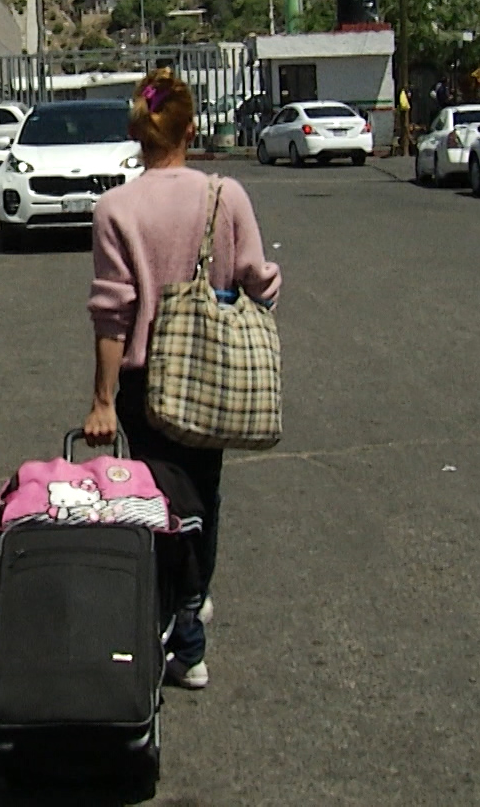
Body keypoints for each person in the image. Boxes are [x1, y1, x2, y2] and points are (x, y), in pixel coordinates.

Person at [83, 66, 282, 691]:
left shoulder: (115, 209)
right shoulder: (227, 196)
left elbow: (112, 313)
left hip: (148, 385)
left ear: (138, 132)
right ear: (190, 128)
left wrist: (102, 401)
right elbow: (256, 278)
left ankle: (182, 624)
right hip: (212, 373)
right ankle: (192, 614)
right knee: (203, 493)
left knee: (158, 504)